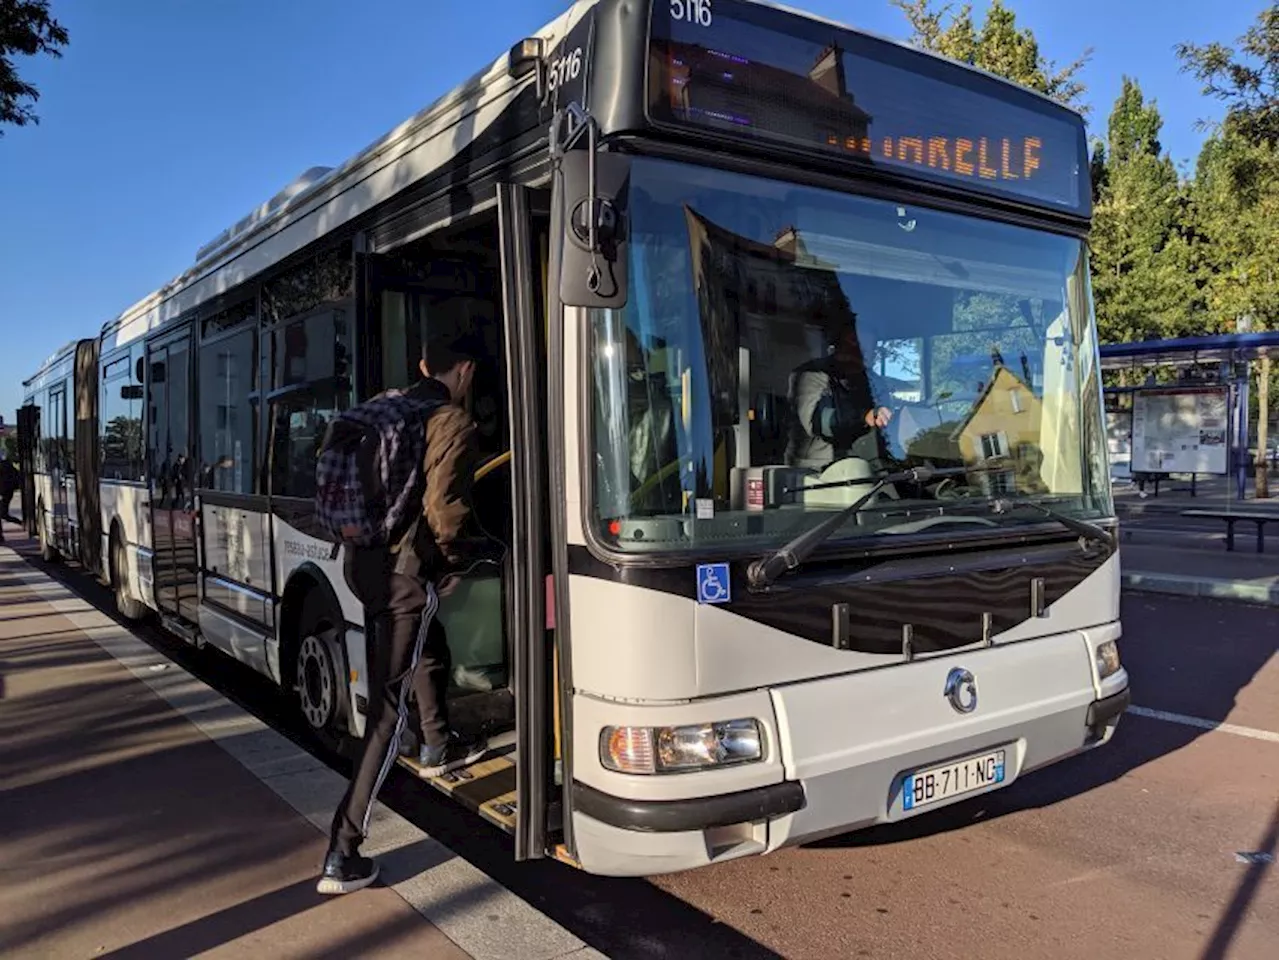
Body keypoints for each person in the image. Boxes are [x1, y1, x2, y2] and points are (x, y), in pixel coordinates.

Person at [318, 334, 492, 896]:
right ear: (463, 370)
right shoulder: (450, 421)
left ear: (422, 365)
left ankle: (439, 741)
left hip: (362, 564)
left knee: (423, 639)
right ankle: (343, 852)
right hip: (401, 576)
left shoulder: (387, 405)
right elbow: (445, 511)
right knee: (386, 718)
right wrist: (460, 557)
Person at [786, 321, 893, 471]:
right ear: (841, 345)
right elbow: (816, 422)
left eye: (871, 349)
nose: (864, 355)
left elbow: (886, 417)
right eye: (859, 348)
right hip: (818, 470)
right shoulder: (812, 374)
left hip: (868, 464)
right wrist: (864, 416)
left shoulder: (875, 381)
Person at [0, 449, 18, 541]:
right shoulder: (8, 465)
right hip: (7, 492)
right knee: (3, 513)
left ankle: (20, 522)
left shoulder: (3, 467)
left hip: (4, 492)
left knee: (3, 513)